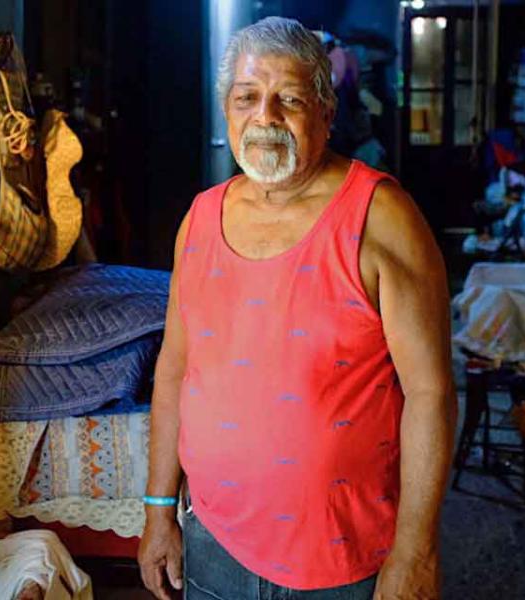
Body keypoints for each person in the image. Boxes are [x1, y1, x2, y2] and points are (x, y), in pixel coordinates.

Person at [139, 17, 455, 600]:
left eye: (289, 98)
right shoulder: (201, 220)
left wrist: (417, 551)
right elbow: (174, 371)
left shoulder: (382, 217)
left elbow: (431, 393)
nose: (266, 117)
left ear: (327, 111)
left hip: (347, 553)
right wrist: (160, 509)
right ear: (227, 111)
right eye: (246, 99)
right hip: (214, 539)